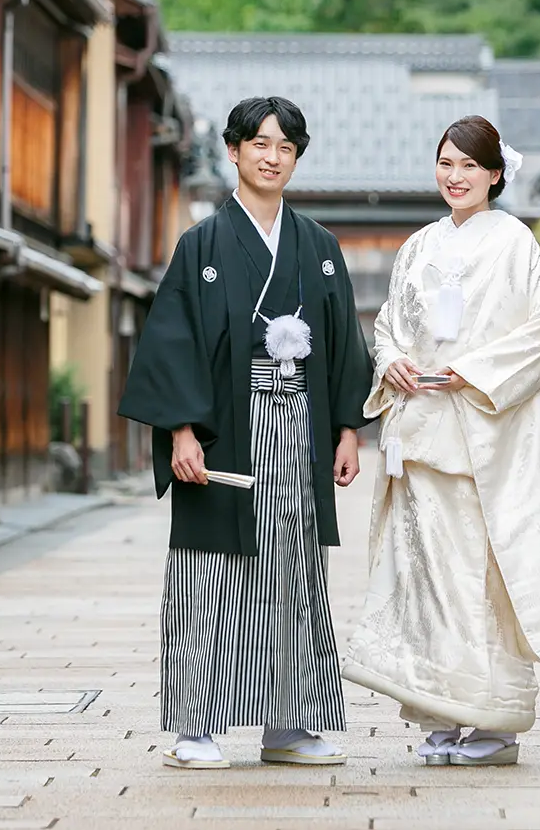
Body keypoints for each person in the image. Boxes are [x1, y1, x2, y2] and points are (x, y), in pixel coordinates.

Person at [117, 96, 375, 771]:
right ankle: (195, 726)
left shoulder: (318, 247)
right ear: (233, 151)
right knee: (208, 575)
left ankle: (288, 724)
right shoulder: (201, 244)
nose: (272, 157)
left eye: (286, 147)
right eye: (259, 143)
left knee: (294, 570)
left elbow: (345, 343)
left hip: (300, 427)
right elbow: (172, 342)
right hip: (223, 430)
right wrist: (180, 431)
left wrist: (348, 429)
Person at [341, 114, 540, 767]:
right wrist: (391, 359)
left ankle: (494, 724)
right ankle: (440, 718)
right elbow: (389, 323)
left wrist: (471, 372)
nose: (456, 175)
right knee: (425, 583)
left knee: (481, 580)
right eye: (446, 163)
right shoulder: (418, 245)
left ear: (496, 173)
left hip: (480, 439)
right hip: (420, 433)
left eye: (470, 165)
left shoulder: (516, 242)